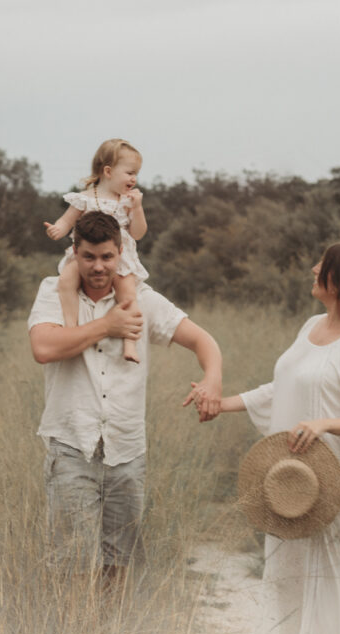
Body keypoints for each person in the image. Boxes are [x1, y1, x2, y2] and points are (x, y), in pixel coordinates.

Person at [216, 242, 340, 634]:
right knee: (289, 575)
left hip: (336, 489)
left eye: (323, 265)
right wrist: (222, 405)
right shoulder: (311, 325)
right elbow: (280, 389)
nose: (313, 269)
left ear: (339, 281)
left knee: (333, 584)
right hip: (292, 483)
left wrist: (325, 424)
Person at [29, 211, 221, 586]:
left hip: (127, 449)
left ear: (120, 253)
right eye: (88, 257)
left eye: (107, 257)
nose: (98, 267)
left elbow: (204, 342)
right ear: (74, 252)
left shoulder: (144, 300)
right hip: (72, 446)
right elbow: (43, 347)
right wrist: (108, 325)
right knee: (73, 564)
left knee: (120, 561)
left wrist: (212, 380)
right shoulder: (53, 291)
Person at [44, 138, 148, 363]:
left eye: (136, 174)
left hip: (120, 258)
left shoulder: (128, 201)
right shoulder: (85, 198)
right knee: (66, 281)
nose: (134, 179)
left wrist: (137, 208)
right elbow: (67, 220)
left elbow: (138, 233)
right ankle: (71, 329)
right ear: (108, 171)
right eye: (130, 173)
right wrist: (57, 229)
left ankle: (130, 342)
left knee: (128, 292)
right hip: (85, 257)